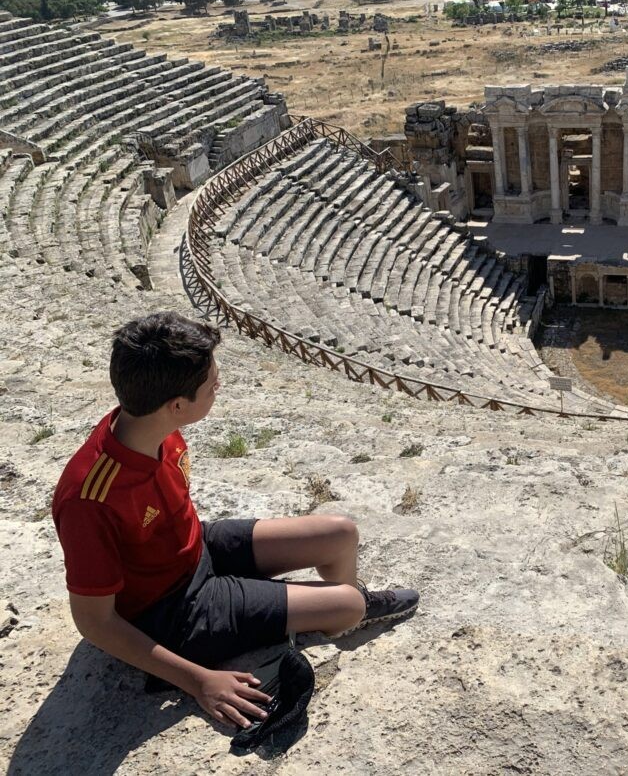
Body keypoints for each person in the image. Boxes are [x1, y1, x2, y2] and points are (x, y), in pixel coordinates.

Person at [51, 312, 419, 730]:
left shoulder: (150, 426)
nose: (219, 387)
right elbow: (94, 622)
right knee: (349, 603)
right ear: (176, 405)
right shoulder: (90, 499)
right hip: (173, 611)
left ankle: (325, 619)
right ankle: (341, 612)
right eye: (211, 385)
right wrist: (199, 680)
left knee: (340, 532)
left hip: (193, 549)